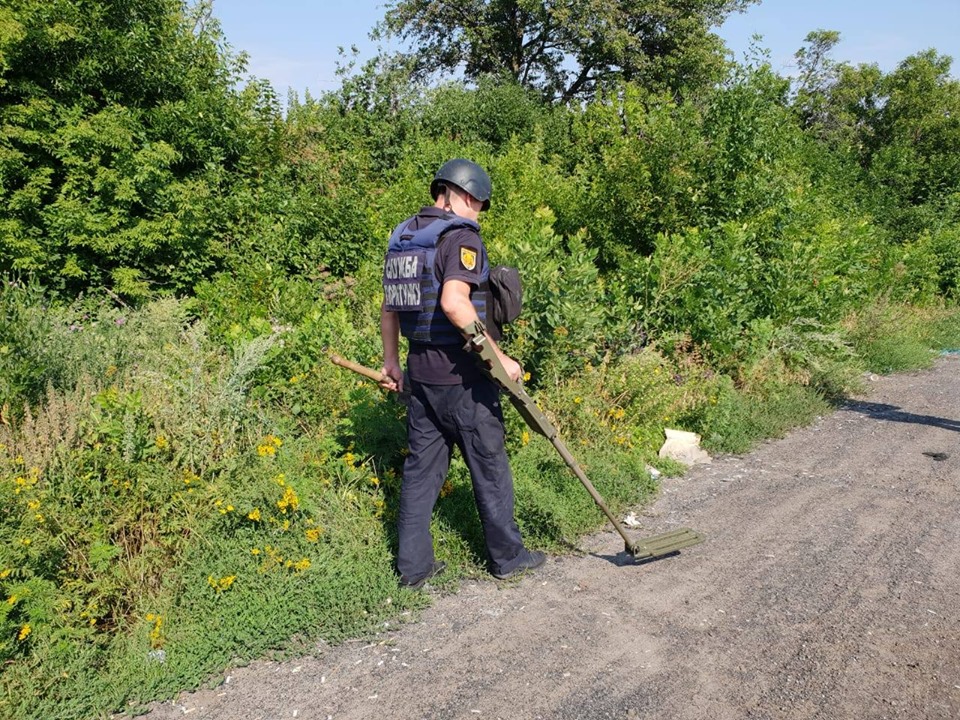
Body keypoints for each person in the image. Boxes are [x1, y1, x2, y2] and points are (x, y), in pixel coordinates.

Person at [379, 158, 546, 589]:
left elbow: (390, 307)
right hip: (463, 378)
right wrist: (500, 358)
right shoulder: (460, 237)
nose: (479, 215)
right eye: (480, 205)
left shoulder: (404, 237)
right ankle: (508, 557)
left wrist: (391, 362)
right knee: (489, 464)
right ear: (466, 195)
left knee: (420, 472)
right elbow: (455, 303)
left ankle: (413, 570)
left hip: (421, 375)